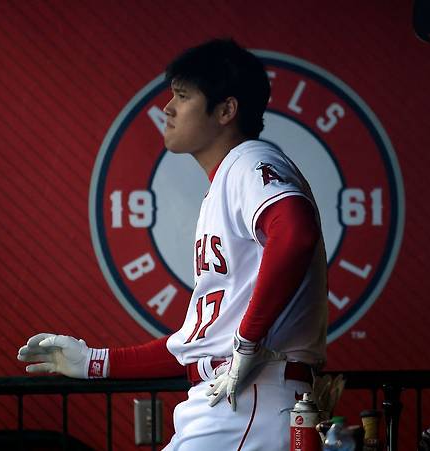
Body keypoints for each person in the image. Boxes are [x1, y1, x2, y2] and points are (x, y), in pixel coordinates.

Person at [17, 38, 328, 451]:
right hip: (232, 399)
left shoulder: (249, 160)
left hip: (251, 399)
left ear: (225, 110)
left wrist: (247, 340)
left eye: (183, 96)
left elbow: (294, 231)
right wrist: (97, 362)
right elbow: (199, 343)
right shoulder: (226, 181)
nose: (168, 108)